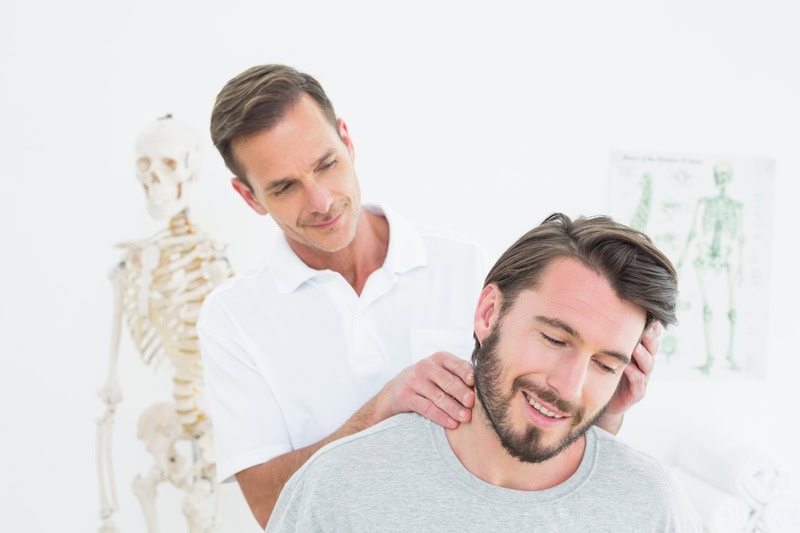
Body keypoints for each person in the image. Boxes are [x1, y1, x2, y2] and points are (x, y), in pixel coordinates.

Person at [197, 64, 664, 528]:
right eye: (284, 187)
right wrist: (382, 407)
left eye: (327, 164)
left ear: (347, 140)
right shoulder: (233, 318)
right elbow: (272, 509)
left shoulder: (464, 266)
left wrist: (604, 412)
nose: (319, 201)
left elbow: (528, 436)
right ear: (249, 196)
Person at [267, 213, 701, 532]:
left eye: (605, 365)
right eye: (554, 339)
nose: (568, 387)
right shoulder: (341, 484)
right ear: (489, 313)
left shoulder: (651, 506)